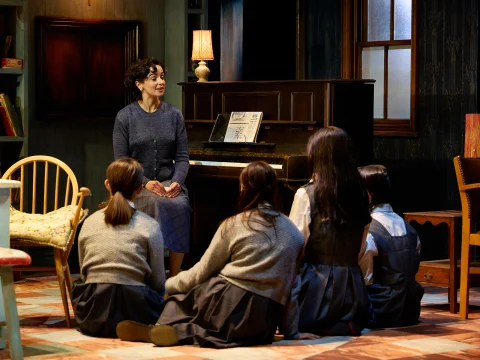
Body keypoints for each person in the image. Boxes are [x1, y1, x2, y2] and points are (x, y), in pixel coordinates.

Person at [115, 161, 305, 348]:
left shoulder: (235, 224)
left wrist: (169, 286)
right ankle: (186, 332)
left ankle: (165, 328)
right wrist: (292, 332)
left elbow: (202, 271)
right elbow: (292, 289)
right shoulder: (295, 233)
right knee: (226, 329)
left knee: (182, 300)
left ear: (243, 188)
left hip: (229, 299)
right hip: (264, 319)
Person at [284, 126, 371, 338]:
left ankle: (321, 321)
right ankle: (343, 321)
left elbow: (294, 248)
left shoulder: (307, 194)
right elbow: (361, 250)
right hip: (354, 291)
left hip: (316, 289)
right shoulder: (361, 193)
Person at [113, 57, 191, 277]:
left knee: (179, 205)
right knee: (154, 202)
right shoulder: (125, 117)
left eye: (162, 77)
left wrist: (177, 182)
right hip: (136, 184)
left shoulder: (174, 115)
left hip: (169, 182)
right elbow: (121, 161)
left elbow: (182, 157)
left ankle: (174, 276)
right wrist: (145, 182)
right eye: (154, 78)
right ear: (139, 84)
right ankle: (148, 272)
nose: (160, 82)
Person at [71, 158, 166, 338]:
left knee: (76, 284)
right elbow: (158, 281)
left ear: (107, 184)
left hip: (93, 312)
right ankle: (143, 328)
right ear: (139, 189)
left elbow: (85, 273)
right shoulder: (150, 225)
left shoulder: (89, 222)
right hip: (137, 310)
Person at [358, 164, 424, 328]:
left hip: (383, 310)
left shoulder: (369, 231)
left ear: (368, 195)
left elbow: (366, 278)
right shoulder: (410, 228)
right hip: (411, 310)